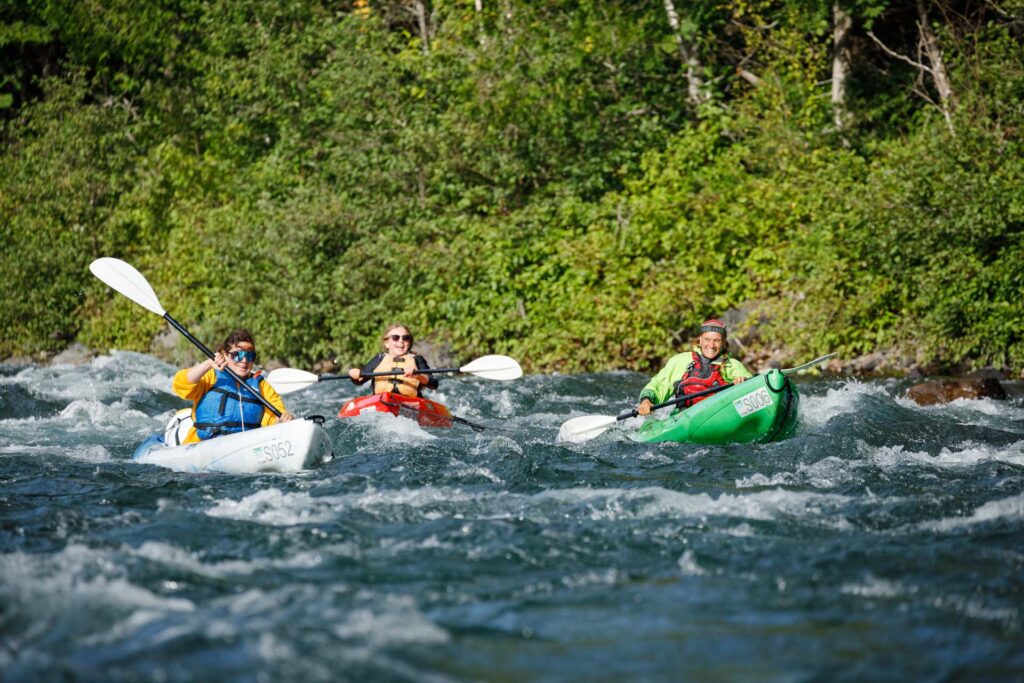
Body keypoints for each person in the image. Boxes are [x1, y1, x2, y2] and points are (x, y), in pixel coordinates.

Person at [171, 329, 294, 443]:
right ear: (225, 355)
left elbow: (274, 417)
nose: (244, 361)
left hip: (243, 446)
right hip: (203, 443)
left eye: (250, 356)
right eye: (237, 355)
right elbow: (180, 385)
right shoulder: (211, 376)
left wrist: (282, 420)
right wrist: (208, 364)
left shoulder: (262, 386)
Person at [637, 318, 753, 416]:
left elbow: (751, 384)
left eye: (716, 340)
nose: (711, 345)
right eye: (707, 339)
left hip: (719, 415)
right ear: (700, 340)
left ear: (723, 342)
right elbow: (657, 386)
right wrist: (646, 401)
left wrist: (743, 384)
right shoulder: (679, 361)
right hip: (683, 416)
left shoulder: (732, 365)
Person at [347, 323, 438, 397]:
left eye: (405, 338)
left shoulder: (417, 359)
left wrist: (418, 375)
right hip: (382, 401)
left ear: (409, 343)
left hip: (411, 403)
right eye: (395, 337)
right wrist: (354, 375)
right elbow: (359, 381)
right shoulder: (379, 358)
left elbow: (434, 384)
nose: (401, 341)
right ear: (387, 343)